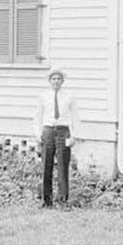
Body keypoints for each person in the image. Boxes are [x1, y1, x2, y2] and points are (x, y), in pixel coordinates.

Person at [33, 68, 79, 208]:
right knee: (46, 165)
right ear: (50, 81)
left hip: (63, 131)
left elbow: (75, 118)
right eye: (53, 79)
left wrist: (74, 135)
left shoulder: (69, 97)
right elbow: (37, 117)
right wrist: (38, 135)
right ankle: (46, 201)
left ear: (62, 81)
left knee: (63, 166)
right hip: (48, 131)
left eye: (58, 79)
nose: (56, 81)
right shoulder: (43, 96)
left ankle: (62, 200)